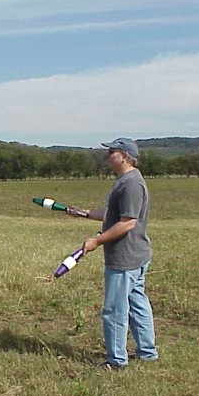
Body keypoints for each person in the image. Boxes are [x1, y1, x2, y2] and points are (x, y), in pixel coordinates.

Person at [68, 137, 158, 370]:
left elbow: (127, 223)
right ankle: (147, 353)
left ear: (125, 156)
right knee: (137, 302)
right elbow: (112, 215)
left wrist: (96, 241)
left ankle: (117, 361)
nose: (108, 156)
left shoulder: (131, 184)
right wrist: (84, 213)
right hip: (134, 256)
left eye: (112, 152)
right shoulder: (125, 180)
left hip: (125, 258)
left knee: (115, 309)